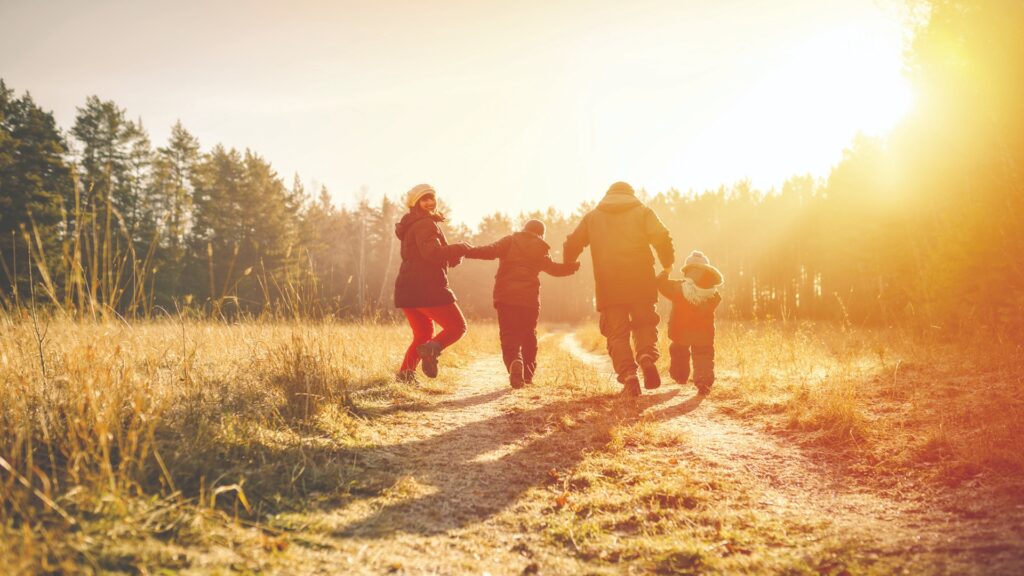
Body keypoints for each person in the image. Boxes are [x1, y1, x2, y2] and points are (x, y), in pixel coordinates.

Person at [563, 181, 675, 396]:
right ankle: (646, 357)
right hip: (641, 280)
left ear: (608, 195)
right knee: (644, 324)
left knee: (617, 333)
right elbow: (662, 237)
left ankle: (629, 376)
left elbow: (572, 243)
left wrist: (569, 263)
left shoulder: (593, 217)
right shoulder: (643, 212)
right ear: (631, 194)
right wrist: (667, 263)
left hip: (609, 284)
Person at [464, 219, 580, 388]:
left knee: (508, 334)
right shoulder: (541, 248)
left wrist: (466, 250)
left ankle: (514, 362)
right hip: (529, 300)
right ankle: (527, 374)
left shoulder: (510, 241)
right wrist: (571, 267)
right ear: (541, 234)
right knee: (528, 336)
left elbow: (489, 251)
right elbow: (554, 269)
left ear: (524, 229)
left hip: (506, 297)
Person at [394, 184, 471, 381]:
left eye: (431, 198)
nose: (429, 202)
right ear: (415, 203)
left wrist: (453, 256)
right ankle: (430, 351)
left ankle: (405, 375)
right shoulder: (425, 224)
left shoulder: (412, 224)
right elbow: (432, 253)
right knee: (457, 327)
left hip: (407, 289)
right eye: (424, 199)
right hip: (426, 288)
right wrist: (459, 247)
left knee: (422, 335)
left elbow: (426, 254)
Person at [656, 250, 724, 395]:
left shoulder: (679, 288)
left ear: (686, 271)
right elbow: (716, 301)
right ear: (707, 271)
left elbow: (662, 285)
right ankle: (703, 381)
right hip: (703, 333)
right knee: (703, 355)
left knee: (678, 351)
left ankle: (680, 376)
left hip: (681, 330)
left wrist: (665, 272)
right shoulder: (712, 293)